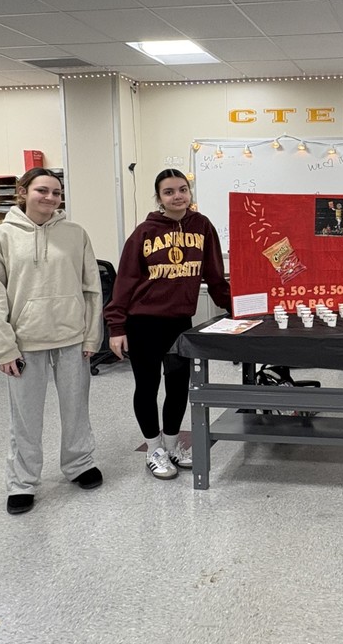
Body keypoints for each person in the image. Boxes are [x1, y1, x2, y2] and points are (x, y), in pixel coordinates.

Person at [0, 167, 103, 516]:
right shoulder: (0, 237)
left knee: (76, 409)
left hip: (71, 338)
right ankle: (22, 483)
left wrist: (92, 335)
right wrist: (3, 347)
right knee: (25, 418)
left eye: (56, 192)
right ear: (23, 191)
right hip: (24, 342)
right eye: (42, 190)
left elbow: (92, 289)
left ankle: (79, 464)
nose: (50, 198)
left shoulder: (75, 234)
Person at [105, 169, 231, 480]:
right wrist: (116, 326)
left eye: (182, 189)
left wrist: (236, 307)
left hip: (179, 324)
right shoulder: (144, 232)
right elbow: (125, 282)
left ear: (189, 192)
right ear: (159, 198)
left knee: (178, 387)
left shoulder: (202, 227)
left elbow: (215, 277)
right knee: (147, 388)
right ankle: (154, 449)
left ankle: (174, 445)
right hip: (142, 323)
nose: (178, 196)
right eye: (169, 191)